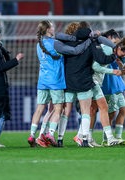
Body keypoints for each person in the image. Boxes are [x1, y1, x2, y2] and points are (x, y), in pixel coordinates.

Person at [27, 20, 92, 148]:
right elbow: (75, 50)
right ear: (48, 30)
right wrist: (89, 40)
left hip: (42, 81)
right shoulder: (55, 44)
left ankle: (32, 135)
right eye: (52, 26)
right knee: (58, 109)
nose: (54, 28)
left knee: (40, 109)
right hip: (55, 81)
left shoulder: (38, 44)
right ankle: (50, 134)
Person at [58, 21, 121, 147]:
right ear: (88, 31)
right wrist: (114, 56)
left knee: (66, 111)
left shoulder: (65, 42)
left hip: (69, 81)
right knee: (86, 110)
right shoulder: (91, 42)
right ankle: (85, 139)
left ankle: (59, 139)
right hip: (85, 80)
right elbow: (101, 59)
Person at [92, 29, 125, 146]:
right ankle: (106, 138)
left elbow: (119, 63)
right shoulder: (105, 48)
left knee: (124, 109)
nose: (115, 42)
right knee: (110, 112)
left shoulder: (115, 51)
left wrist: (122, 66)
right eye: (114, 39)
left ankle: (118, 137)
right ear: (109, 37)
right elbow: (101, 64)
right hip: (109, 82)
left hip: (116, 81)